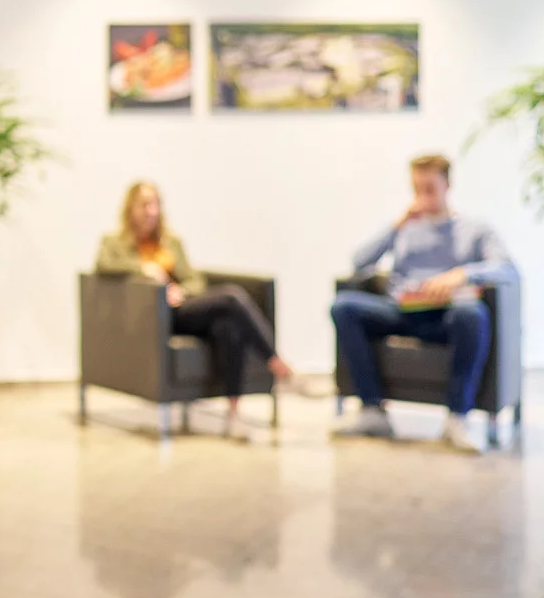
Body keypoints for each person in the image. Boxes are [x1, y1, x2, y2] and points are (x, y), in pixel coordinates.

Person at [331, 153, 514, 454]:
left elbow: (506, 268)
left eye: (429, 188)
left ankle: (458, 417)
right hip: (400, 311)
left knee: (472, 314)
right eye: (417, 189)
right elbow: (359, 262)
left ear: (447, 185)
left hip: (445, 316)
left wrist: (460, 275)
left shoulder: (474, 229)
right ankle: (373, 411)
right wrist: (396, 225)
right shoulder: (405, 226)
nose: (423, 196)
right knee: (343, 307)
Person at [96, 181, 293, 437]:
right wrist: (143, 270)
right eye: (144, 204)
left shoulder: (171, 242)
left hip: (183, 307)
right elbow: (103, 265)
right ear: (130, 208)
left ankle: (233, 411)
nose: (151, 211)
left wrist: (180, 292)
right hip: (156, 316)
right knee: (232, 297)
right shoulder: (114, 243)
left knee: (229, 326)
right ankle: (276, 362)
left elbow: (195, 280)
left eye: (155, 204)